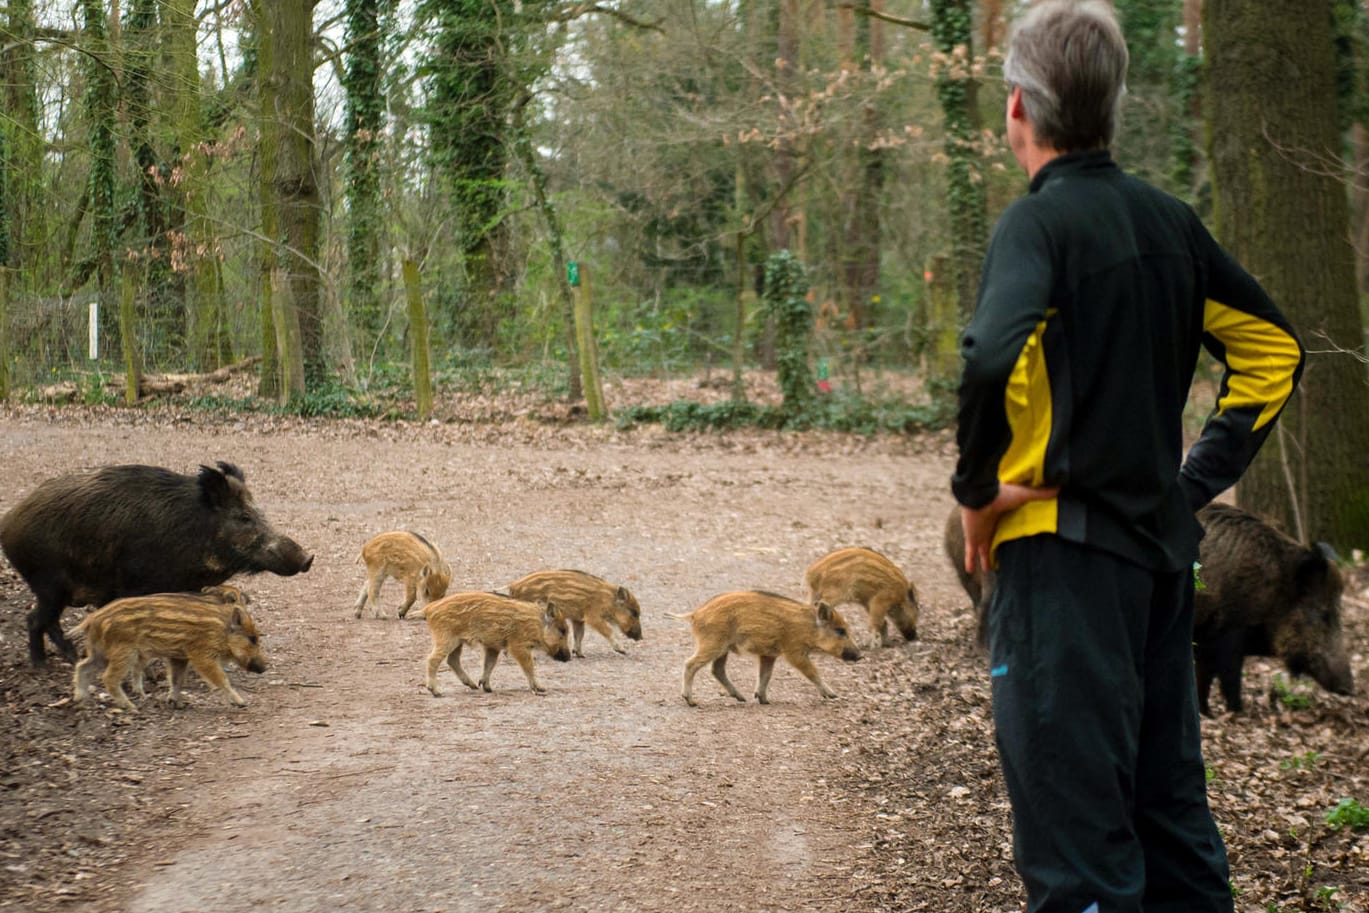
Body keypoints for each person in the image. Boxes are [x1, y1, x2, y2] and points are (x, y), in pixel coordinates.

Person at [951, 3, 1304, 913]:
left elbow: (992, 353)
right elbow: (1273, 350)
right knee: (1170, 824)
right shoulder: (1170, 223)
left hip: (1061, 566)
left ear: (1016, 107)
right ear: (1109, 107)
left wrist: (977, 489)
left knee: (1079, 849)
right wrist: (1189, 483)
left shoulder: (1036, 227)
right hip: (1159, 565)